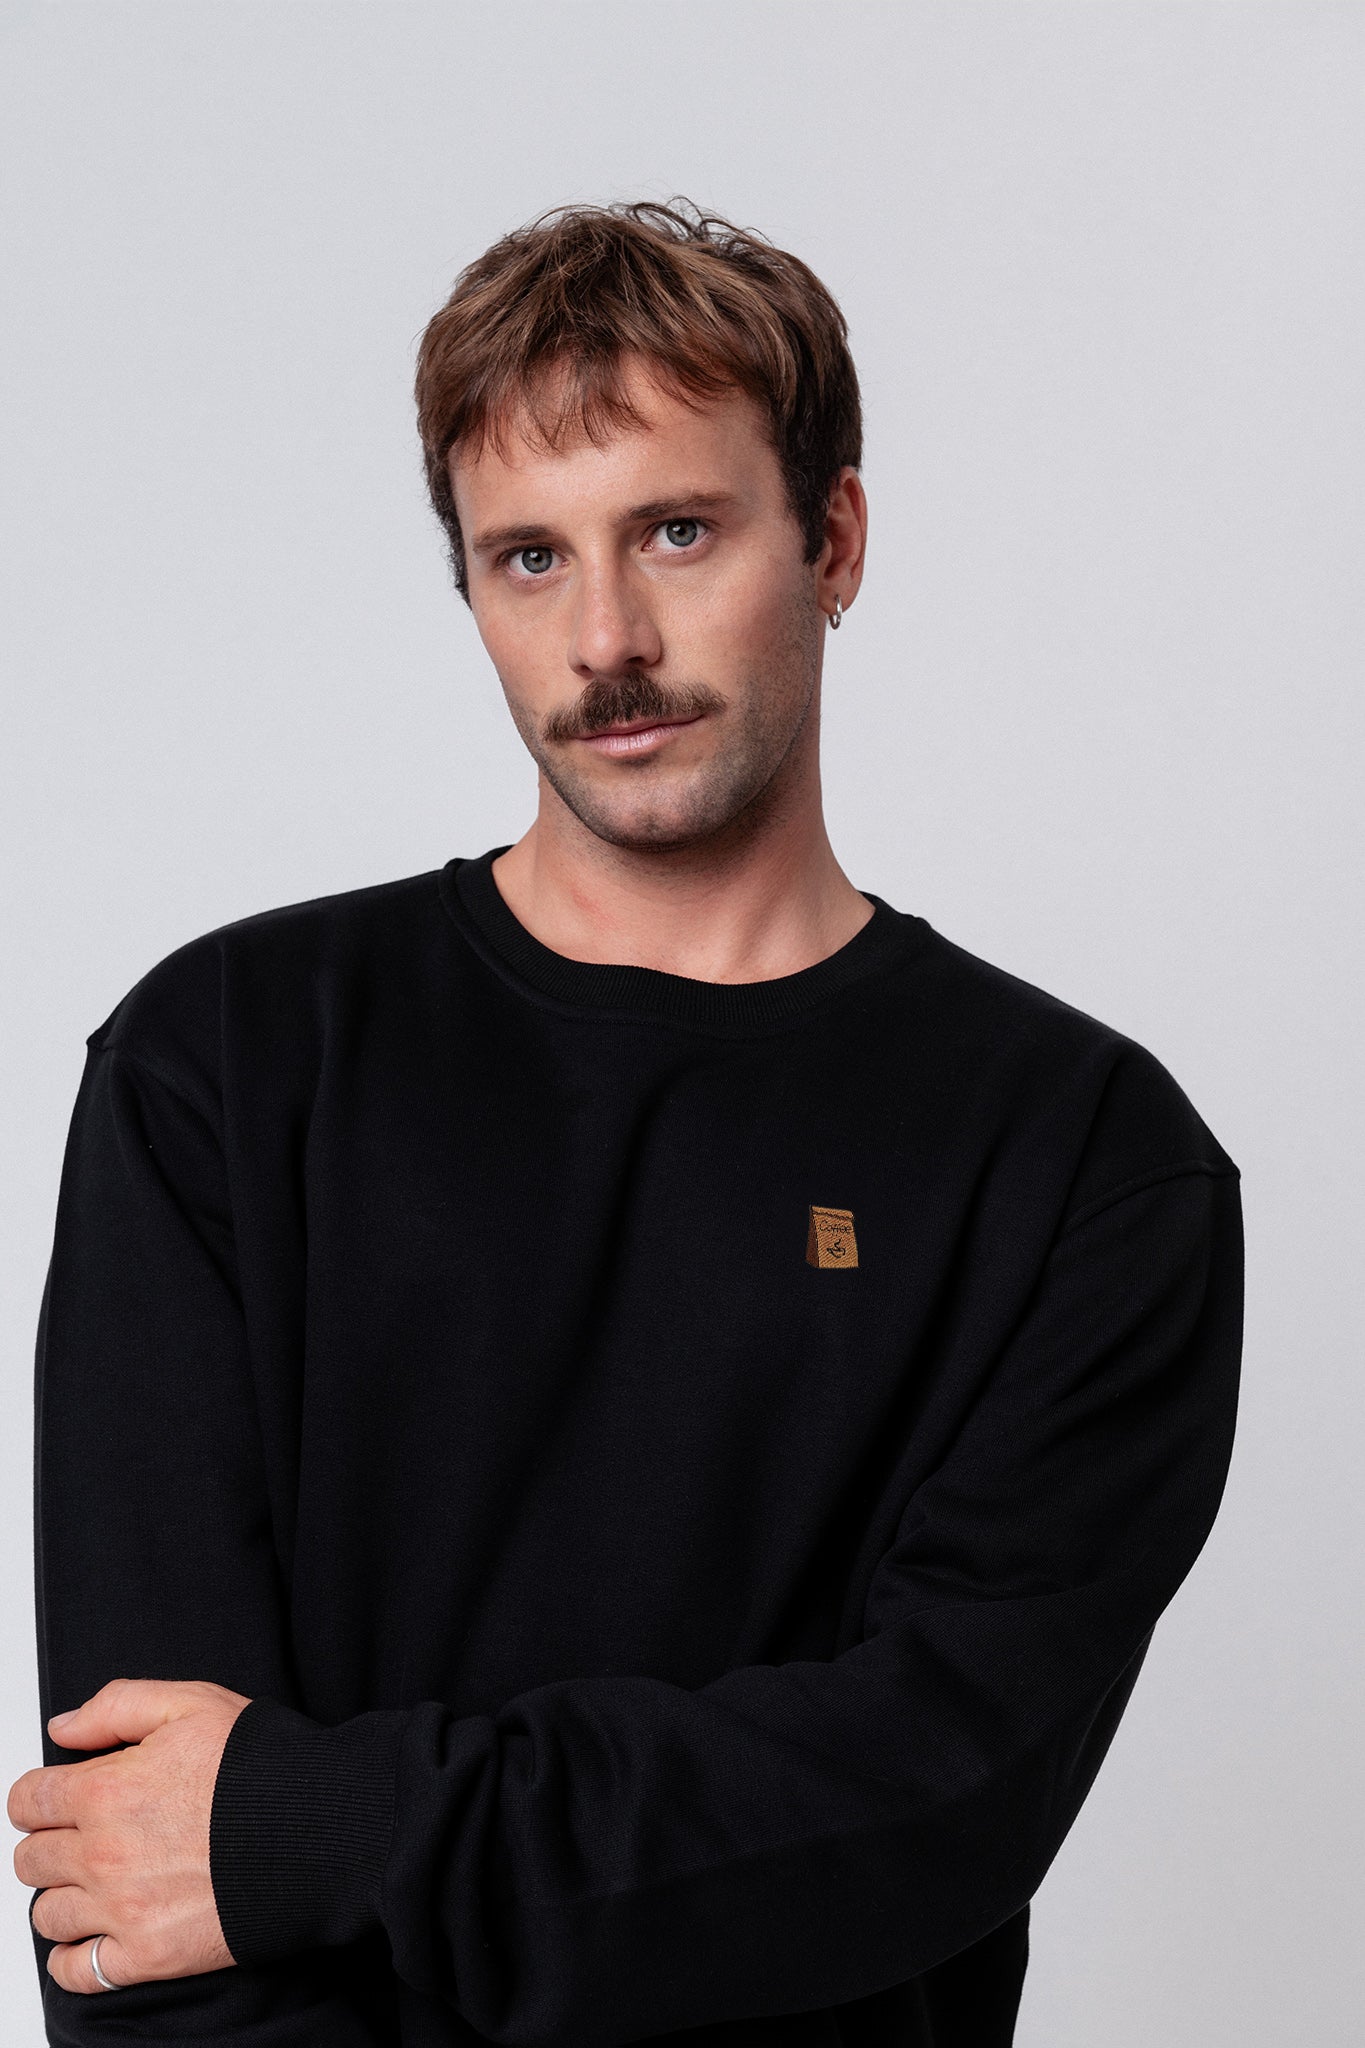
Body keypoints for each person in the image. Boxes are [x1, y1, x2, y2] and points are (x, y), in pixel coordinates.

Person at [11, 199, 1244, 2048]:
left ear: (831, 538)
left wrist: (326, 1828)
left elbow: (927, 1803)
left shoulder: (1083, 1159)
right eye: (528, 556)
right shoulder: (228, 1063)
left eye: (677, 530)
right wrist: (268, 1840)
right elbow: (133, 1858)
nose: (605, 638)